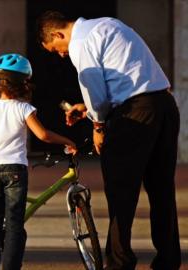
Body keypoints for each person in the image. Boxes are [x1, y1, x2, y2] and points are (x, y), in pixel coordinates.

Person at [37, 11, 181, 270]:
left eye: (55, 49)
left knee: (121, 191)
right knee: (162, 189)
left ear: (58, 34)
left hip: (134, 115)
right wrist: (87, 107)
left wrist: (98, 124)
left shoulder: (81, 43)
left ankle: (119, 263)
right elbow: (125, 75)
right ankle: (167, 261)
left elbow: (96, 92)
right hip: (164, 105)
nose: (60, 54)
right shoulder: (109, 24)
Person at [0, 53, 77, 270]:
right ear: (23, 84)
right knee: (14, 224)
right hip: (15, 169)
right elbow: (43, 135)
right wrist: (67, 140)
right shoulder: (24, 109)